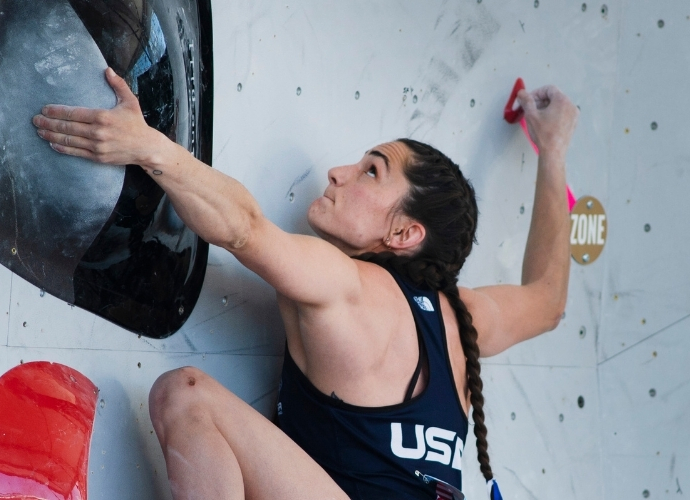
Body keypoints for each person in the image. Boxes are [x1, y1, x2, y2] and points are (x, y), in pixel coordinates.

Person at [33, 68, 578, 499]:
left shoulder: (350, 286)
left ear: (405, 232)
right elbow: (550, 300)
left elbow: (244, 228)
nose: (339, 172)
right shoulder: (464, 320)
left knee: (187, 397)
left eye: (372, 171)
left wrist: (148, 146)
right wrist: (553, 153)